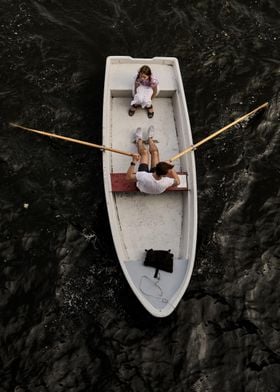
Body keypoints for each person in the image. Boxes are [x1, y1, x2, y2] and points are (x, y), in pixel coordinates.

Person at [126, 126, 180, 194]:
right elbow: (178, 182)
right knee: (155, 152)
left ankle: (139, 141)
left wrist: (134, 161)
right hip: (150, 180)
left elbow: (128, 177)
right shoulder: (167, 181)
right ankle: (150, 139)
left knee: (144, 153)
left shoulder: (143, 176)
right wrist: (171, 170)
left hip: (143, 184)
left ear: (156, 167)